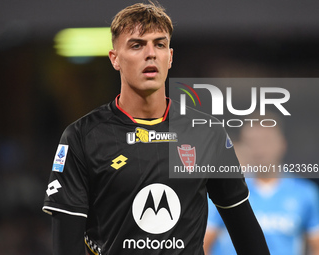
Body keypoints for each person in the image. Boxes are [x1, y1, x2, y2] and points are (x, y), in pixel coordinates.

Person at [42, 2, 270, 254]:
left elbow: (246, 231)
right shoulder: (82, 137)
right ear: (114, 58)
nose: (150, 53)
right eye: (137, 45)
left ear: (169, 57)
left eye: (159, 44)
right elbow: (66, 246)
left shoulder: (207, 133)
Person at [204, 112, 319, 255]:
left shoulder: (306, 192)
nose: (259, 149)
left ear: (282, 143)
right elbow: (204, 243)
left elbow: (316, 246)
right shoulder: (225, 189)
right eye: (251, 142)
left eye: (266, 141)